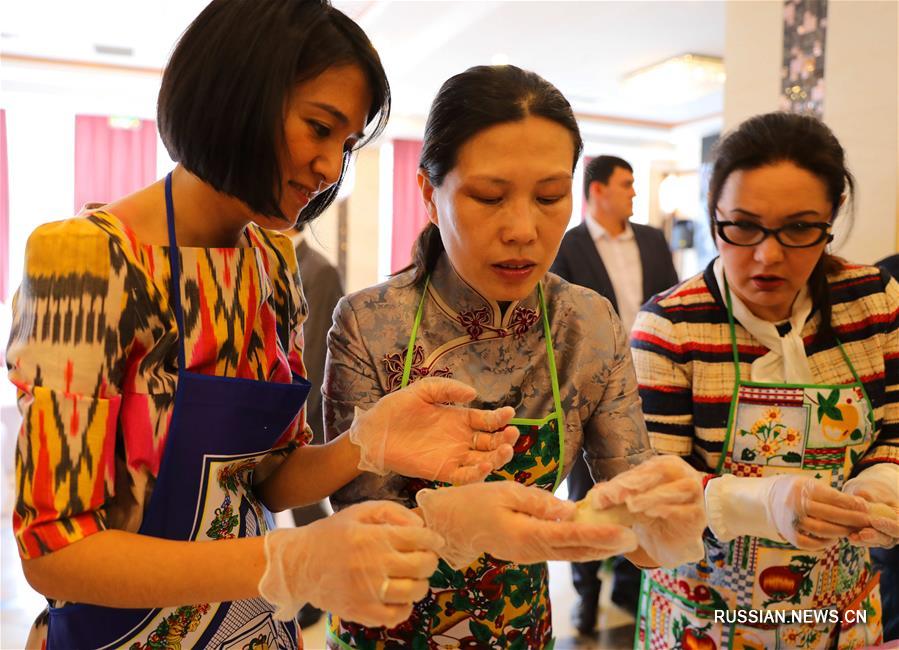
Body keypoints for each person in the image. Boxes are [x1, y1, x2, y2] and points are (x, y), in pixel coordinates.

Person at [5, 3, 523, 648]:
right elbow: (55, 551)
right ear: (235, 94)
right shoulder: (87, 260)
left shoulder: (271, 265)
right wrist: (288, 560)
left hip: (254, 628)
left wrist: (366, 443)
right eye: (319, 128)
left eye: (346, 146)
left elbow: (266, 481)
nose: (330, 168)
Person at [322, 64, 707, 649]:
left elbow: (638, 523)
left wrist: (688, 506)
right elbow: (360, 529)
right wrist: (449, 524)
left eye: (550, 197)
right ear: (429, 194)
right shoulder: (371, 323)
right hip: (383, 627)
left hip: (522, 630)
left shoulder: (587, 324)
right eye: (488, 196)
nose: (524, 229)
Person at [631, 112, 898, 648]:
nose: (767, 255)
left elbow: (893, 430)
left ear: (832, 216)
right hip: (707, 619)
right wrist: (761, 502)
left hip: (838, 613)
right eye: (743, 226)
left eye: (799, 228)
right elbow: (650, 496)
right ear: (714, 215)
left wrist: (880, 489)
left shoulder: (873, 301)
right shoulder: (671, 326)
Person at [550, 154, 679, 630]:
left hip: (651, 381)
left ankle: (629, 586)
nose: (634, 192)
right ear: (598, 190)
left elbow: (670, 301)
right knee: (586, 493)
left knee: (642, 482)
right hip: (590, 388)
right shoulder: (569, 245)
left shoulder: (653, 240)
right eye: (627, 184)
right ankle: (587, 593)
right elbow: (560, 320)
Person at [289, 224, 345, 628]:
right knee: (297, 501)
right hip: (286, 402)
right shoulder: (273, 263)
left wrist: (299, 412)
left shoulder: (319, 269)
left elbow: (315, 349)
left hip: (307, 407)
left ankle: (331, 574)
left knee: (304, 499)